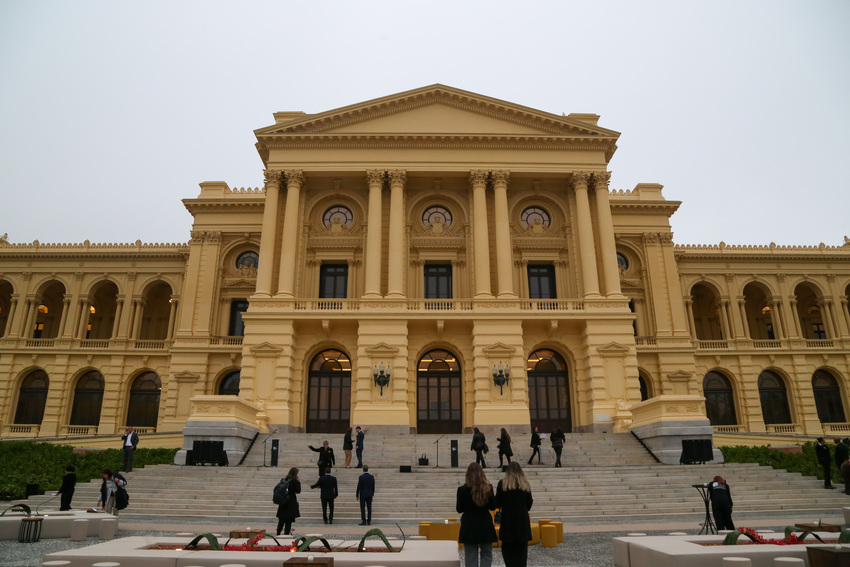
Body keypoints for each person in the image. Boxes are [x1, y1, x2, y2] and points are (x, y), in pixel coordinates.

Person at [456, 463, 498, 567]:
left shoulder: (462, 490)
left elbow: (459, 509)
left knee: (470, 555)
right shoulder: (488, 488)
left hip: (469, 524)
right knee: (487, 554)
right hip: (485, 523)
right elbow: (493, 506)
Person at [495, 462, 533, 567]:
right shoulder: (525, 484)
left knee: (508, 554)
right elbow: (529, 504)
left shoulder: (503, 484)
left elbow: (497, 503)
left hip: (508, 523)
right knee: (521, 556)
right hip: (522, 524)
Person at [276, 467, 301, 535]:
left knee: (281, 521)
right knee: (288, 522)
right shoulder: (293, 481)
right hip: (290, 503)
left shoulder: (284, 480)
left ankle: (278, 534)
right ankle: (286, 536)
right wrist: (298, 482)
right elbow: (298, 491)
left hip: (283, 503)